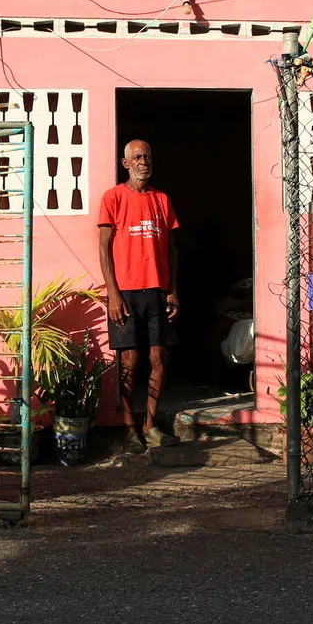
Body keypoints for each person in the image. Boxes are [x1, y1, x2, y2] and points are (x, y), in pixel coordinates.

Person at [98, 139, 181, 456]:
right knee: (129, 361)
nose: (143, 161)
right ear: (125, 163)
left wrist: (173, 289)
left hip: (158, 291)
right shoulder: (113, 198)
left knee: (159, 359)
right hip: (126, 293)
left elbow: (172, 249)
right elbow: (104, 249)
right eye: (136, 157)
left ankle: (150, 424)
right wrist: (113, 294)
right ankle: (129, 428)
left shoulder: (162, 199)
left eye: (147, 156)